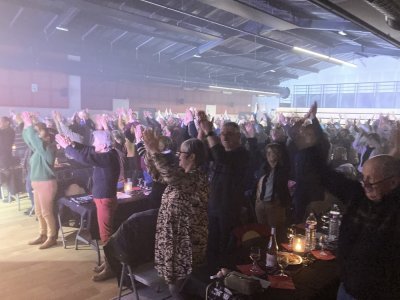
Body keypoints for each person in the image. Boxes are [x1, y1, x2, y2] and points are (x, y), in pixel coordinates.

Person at [142, 130, 209, 300]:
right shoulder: (182, 174)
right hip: (174, 239)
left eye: (182, 153)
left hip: (186, 240)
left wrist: (155, 150)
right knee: (177, 283)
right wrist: (150, 151)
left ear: (192, 156)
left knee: (178, 286)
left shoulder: (198, 177)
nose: (178, 156)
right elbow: (157, 174)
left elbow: (170, 176)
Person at [56, 130, 120, 281]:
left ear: (103, 145)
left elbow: (85, 157)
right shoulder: (106, 152)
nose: (93, 144)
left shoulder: (109, 157)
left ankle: (111, 268)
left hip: (105, 200)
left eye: (95, 142)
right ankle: (108, 263)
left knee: (106, 236)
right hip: (102, 199)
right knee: (106, 234)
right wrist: (72, 144)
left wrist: (67, 147)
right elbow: (88, 150)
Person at [198, 112, 250, 264]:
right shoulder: (219, 152)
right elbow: (201, 154)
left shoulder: (242, 154)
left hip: (229, 208)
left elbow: (222, 157)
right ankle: (210, 276)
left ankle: (224, 276)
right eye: (222, 134)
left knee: (225, 246)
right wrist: (202, 130)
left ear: (238, 137)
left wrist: (210, 132)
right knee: (211, 244)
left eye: (229, 134)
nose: (224, 137)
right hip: (213, 205)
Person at [21, 113, 58, 249]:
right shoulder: (38, 149)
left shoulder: (48, 148)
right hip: (37, 183)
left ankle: (51, 237)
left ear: (47, 136)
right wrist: (27, 125)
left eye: (39, 132)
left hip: (47, 183)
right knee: (38, 212)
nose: (36, 135)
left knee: (47, 212)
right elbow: (28, 140)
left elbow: (35, 141)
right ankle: (42, 234)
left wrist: (30, 125)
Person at [255, 143, 290, 241]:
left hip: (275, 205)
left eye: (273, 153)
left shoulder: (282, 169)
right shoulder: (263, 167)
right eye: (268, 152)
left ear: (278, 154)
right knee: (262, 231)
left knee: (275, 233)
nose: (270, 155)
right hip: (261, 204)